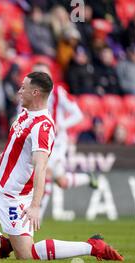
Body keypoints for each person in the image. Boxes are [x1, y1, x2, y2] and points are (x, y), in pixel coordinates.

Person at [0, 72, 124, 261]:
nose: (19, 91)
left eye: (23, 87)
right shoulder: (25, 113)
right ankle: (3, 243)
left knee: (27, 255)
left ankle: (92, 246)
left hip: (15, 196)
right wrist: (5, 156)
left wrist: (35, 206)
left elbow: (40, 167)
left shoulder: (43, 127)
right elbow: (18, 142)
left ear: (35, 93)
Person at [31, 62, 98, 221]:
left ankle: (36, 215)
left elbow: (78, 114)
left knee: (45, 172)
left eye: (44, 74)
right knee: (62, 181)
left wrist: (61, 125)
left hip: (57, 142)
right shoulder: (28, 94)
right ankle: (88, 178)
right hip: (39, 140)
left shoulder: (58, 92)